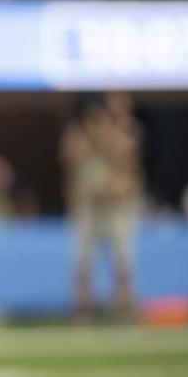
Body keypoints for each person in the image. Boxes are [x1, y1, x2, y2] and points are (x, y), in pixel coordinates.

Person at [61, 93, 142, 321]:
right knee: (83, 260)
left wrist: (105, 131)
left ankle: (125, 309)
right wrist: (90, 134)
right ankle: (82, 311)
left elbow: (125, 156)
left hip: (116, 205)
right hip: (87, 205)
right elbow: (71, 158)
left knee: (122, 259)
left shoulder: (125, 130)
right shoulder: (77, 134)